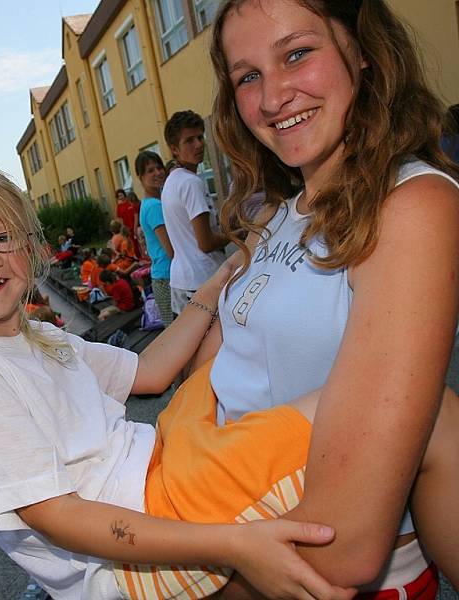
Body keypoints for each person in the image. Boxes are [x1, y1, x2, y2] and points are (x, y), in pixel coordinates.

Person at [0, 159, 366, 600]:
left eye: (3, 238)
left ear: (29, 250)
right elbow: (55, 515)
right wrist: (230, 544)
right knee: (363, 403)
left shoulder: (37, 336)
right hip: (135, 531)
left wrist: (224, 278)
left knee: (224, 359)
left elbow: (149, 372)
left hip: (161, 458)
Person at [201, 0, 459, 595]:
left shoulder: (409, 207)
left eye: (297, 53)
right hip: (240, 535)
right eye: (247, 76)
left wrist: (193, 572)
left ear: (363, 51)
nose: (271, 98)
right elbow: (216, 383)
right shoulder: (278, 212)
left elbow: (343, 547)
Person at [161, 111, 228, 316]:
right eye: (189, 140)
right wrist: (238, 233)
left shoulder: (172, 181)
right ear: (175, 149)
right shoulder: (191, 183)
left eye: (200, 137)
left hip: (182, 280)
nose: (198, 144)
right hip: (202, 280)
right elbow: (205, 243)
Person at [135, 151, 173, 326]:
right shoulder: (155, 206)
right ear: (141, 177)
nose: (158, 172)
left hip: (161, 275)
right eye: (150, 170)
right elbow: (171, 249)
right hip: (168, 276)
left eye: (159, 167)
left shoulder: (148, 203)